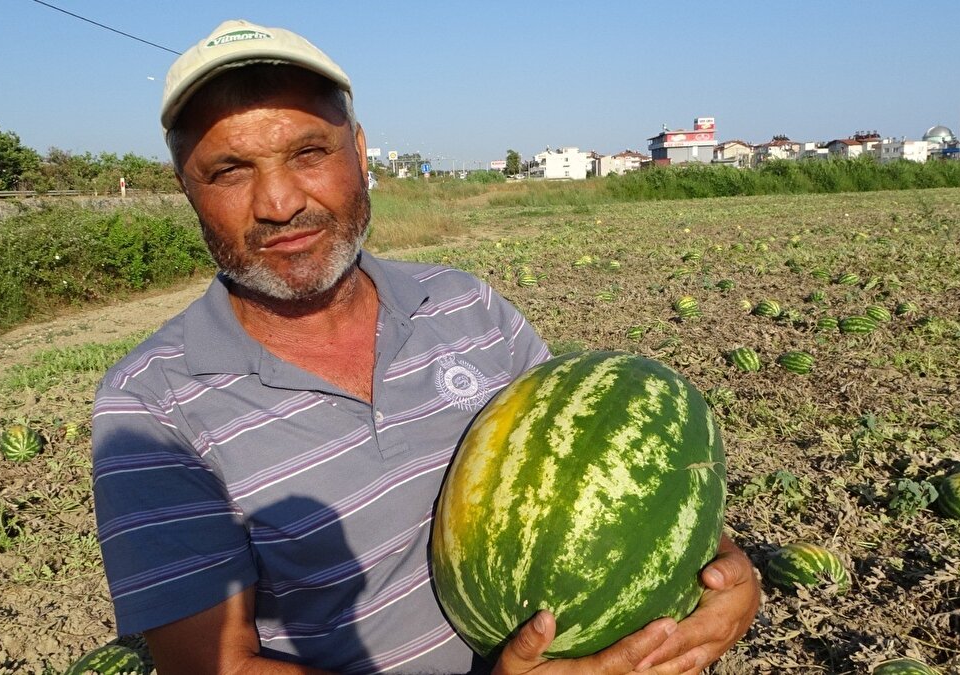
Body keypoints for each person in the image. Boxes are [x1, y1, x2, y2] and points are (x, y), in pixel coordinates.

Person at [91, 19, 759, 675]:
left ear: (359, 150)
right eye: (231, 170)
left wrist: (724, 569)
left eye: (308, 152)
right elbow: (220, 666)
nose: (279, 201)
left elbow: (598, 468)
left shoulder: (469, 305)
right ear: (187, 187)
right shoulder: (152, 406)